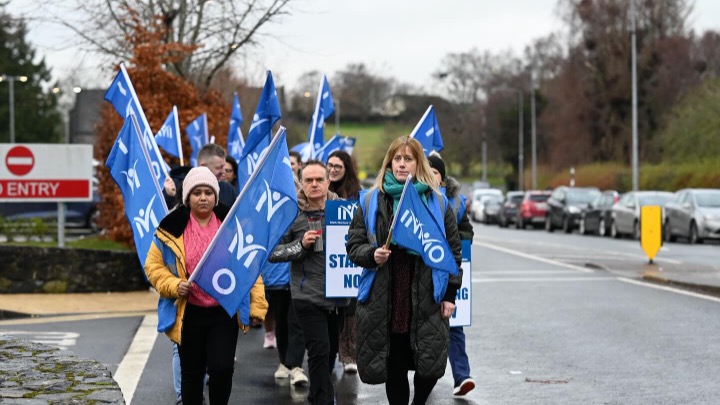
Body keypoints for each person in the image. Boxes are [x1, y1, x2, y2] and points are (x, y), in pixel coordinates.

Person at [346, 136, 463, 405]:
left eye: (408, 159)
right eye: (397, 159)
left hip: (425, 294)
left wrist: (450, 295)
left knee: (429, 367)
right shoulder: (370, 201)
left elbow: (453, 253)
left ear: (418, 163)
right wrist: (371, 254)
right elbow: (353, 245)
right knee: (394, 366)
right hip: (386, 296)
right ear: (389, 163)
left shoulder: (438, 202)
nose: (401, 164)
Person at [145, 166, 268, 405]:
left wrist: (257, 306)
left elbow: (250, 268)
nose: (203, 198)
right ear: (187, 197)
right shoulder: (170, 227)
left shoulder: (232, 224)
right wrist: (173, 284)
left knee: (222, 369)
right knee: (191, 374)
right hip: (188, 311)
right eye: (197, 192)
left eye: (208, 192)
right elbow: (154, 267)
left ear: (216, 196)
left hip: (224, 311)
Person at [269, 160, 348, 405]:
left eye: (319, 180)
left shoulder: (344, 210)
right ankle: (325, 400)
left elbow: (360, 244)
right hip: (306, 296)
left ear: (328, 181)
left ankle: (316, 396)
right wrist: (300, 245)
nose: (314, 184)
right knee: (319, 350)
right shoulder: (291, 213)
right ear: (301, 183)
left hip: (339, 296)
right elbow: (273, 252)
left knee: (331, 353)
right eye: (308, 180)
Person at [428, 153, 476, 397]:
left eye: (435, 173)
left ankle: (462, 376)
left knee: (454, 326)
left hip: (451, 272)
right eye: (427, 172)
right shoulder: (414, 200)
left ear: (443, 179)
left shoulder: (455, 204)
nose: (431, 176)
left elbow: (467, 232)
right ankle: (425, 377)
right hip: (425, 277)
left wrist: (453, 242)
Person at [326, 150, 361, 374]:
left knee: (349, 309)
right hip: (325, 258)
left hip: (348, 257)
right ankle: (329, 354)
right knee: (330, 311)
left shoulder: (356, 195)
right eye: (330, 165)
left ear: (346, 168)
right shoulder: (321, 191)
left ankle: (349, 355)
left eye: (338, 166)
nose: (333, 169)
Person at [163, 144, 239, 209]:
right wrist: (169, 196)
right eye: (219, 168)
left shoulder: (228, 190)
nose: (223, 172)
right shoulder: (176, 186)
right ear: (203, 166)